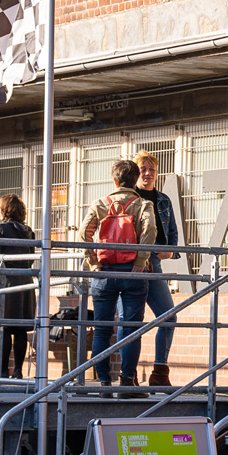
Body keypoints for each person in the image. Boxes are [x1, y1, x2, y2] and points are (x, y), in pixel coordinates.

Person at [80, 159, 158, 391]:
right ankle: (126, 381)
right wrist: (140, 260)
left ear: (114, 180)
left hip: (104, 272)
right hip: (132, 272)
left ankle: (104, 382)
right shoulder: (143, 204)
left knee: (102, 328)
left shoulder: (100, 204)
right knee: (131, 327)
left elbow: (84, 232)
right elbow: (150, 231)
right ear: (135, 181)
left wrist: (93, 262)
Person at [132, 151, 182, 389]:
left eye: (152, 169)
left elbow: (172, 234)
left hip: (154, 262)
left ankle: (159, 373)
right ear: (135, 171)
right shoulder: (128, 197)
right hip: (130, 263)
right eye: (143, 169)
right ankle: (128, 374)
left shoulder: (163, 200)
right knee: (131, 320)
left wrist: (170, 251)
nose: (148, 173)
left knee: (168, 316)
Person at [0, 193, 37, 379]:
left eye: (0, 207)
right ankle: (18, 371)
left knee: (4, 327)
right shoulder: (28, 230)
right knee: (20, 328)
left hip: (5, 282)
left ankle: (1, 371)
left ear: (5, 209)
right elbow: (31, 259)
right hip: (24, 282)